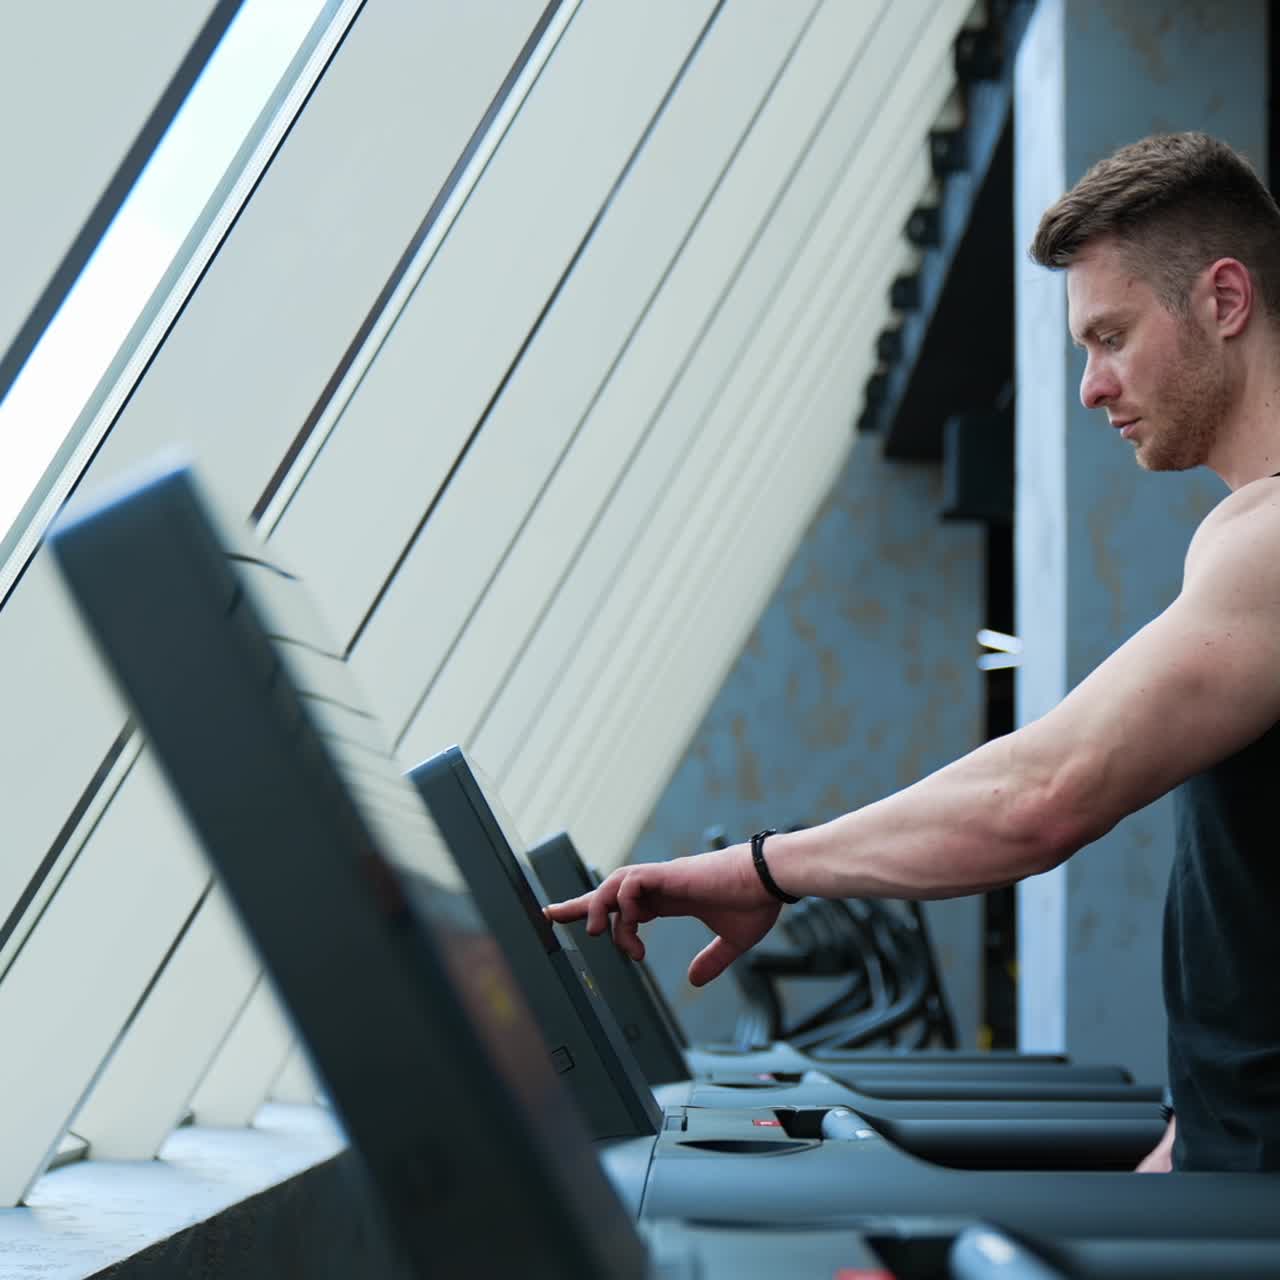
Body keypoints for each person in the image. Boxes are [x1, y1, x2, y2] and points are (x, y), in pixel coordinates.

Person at [546, 132, 1280, 1174]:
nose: (1088, 386)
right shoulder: (1239, 538)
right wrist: (1171, 1151)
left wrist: (765, 867)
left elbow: (1040, 794)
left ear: (1220, 299)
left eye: (1108, 336)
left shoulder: (1267, 543)